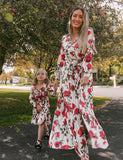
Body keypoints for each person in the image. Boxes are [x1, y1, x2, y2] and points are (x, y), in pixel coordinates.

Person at [49, 6, 109, 160]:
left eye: (80, 16)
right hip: (67, 81)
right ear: (70, 18)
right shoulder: (64, 38)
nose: (76, 19)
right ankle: (81, 151)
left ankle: (86, 139)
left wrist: (87, 74)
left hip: (82, 79)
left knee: (83, 111)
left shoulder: (88, 33)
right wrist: (56, 79)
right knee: (71, 114)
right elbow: (61, 60)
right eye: (74, 15)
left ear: (84, 19)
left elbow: (88, 56)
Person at [29, 68, 56, 149]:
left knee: (41, 122)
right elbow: (31, 98)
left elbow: (53, 95)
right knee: (42, 121)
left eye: (42, 74)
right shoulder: (33, 87)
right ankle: (47, 132)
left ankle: (38, 142)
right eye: (38, 74)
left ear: (45, 76)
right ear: (36, 76)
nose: (40, 75)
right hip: (37, 107)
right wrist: (36, 105)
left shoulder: (47, 85)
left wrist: (55, 87)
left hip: (45, 106)